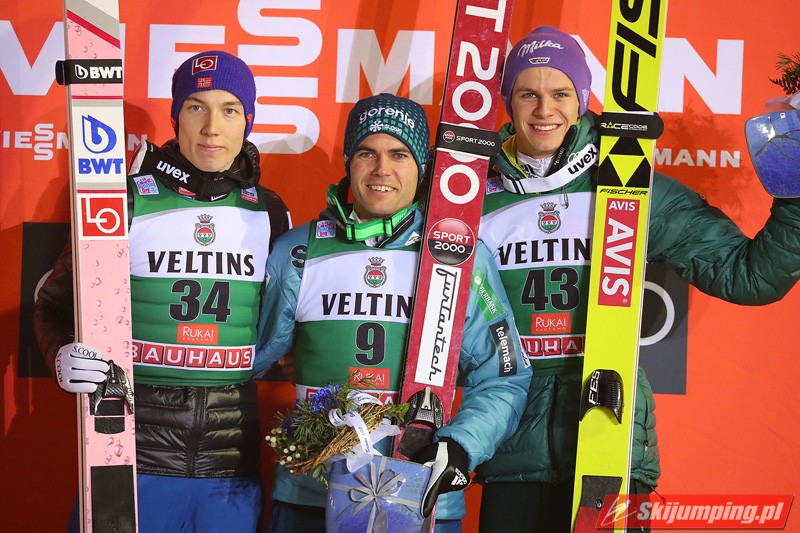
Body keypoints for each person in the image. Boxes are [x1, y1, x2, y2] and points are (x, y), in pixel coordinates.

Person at [475, 26, 800, 532]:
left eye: (560, 94)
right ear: (507, 101)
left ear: (582, 100)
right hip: (508, 439)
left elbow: (749, 276)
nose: (544, 110)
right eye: (528, 94)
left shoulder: (630, 186)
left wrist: (795, 191)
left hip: (610, 432)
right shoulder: (470, 198)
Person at [34, 50, 291, 532]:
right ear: (176, 117)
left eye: (230, 110)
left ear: (248, 121)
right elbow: (52, 304)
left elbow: (282, 322)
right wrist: (62, 352)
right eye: (196, 107)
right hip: (130, 453)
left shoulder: (270, 211)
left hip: (229, 467)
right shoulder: (125, 198)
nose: (212, 128)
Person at [256, 93, 532, 533]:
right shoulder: (298, 251)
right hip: (311, 496)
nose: (381, 169)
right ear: (349, 162)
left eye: (399, 154)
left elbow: (505, 374)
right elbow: (249, 358)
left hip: (421, 494)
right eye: (367, 152)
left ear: (422, 166)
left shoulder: (458, 254)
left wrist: (460, 447)